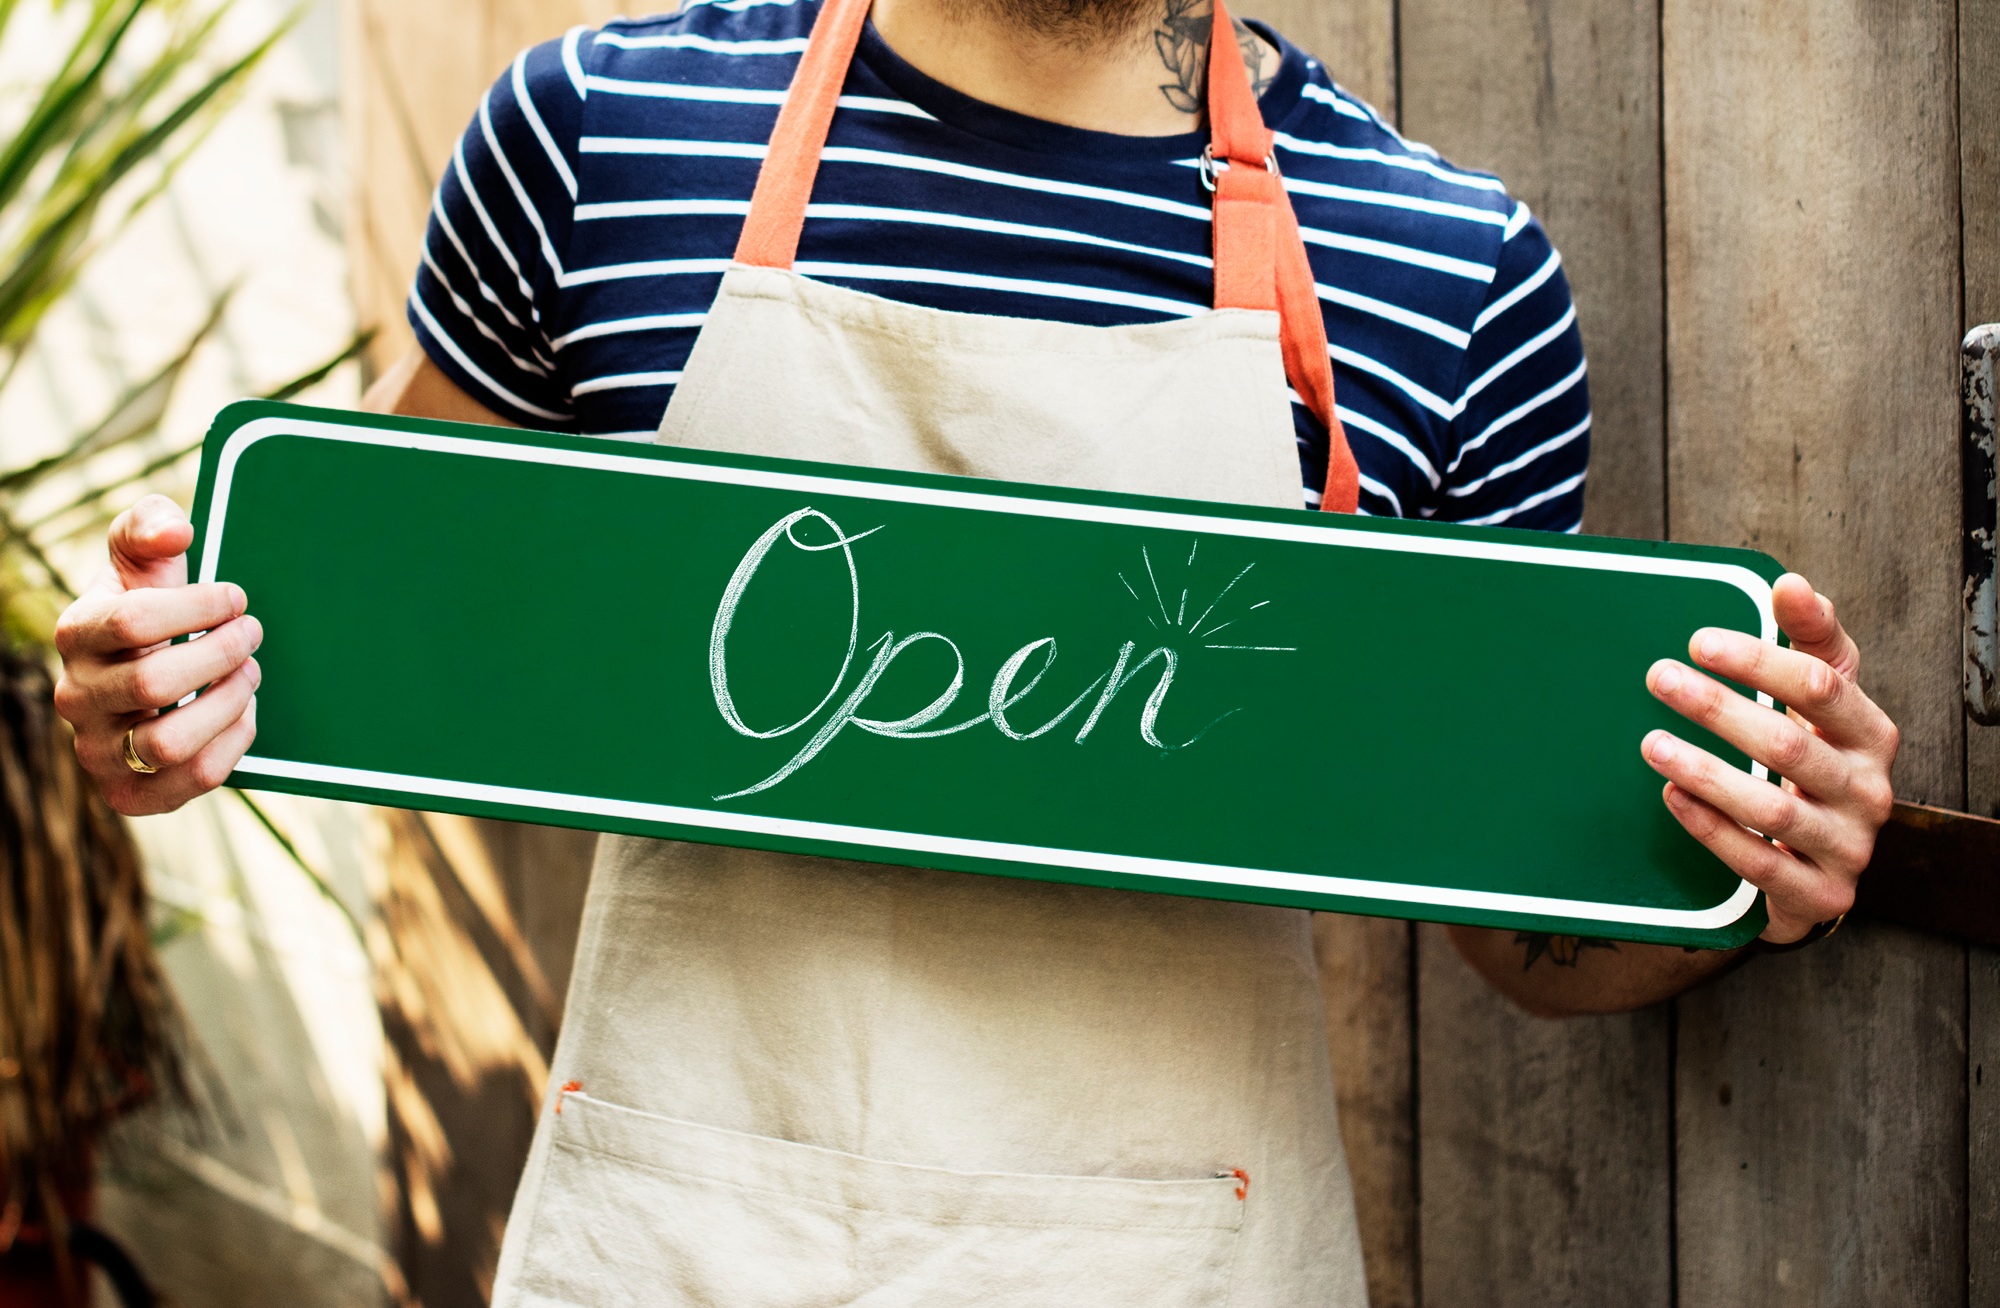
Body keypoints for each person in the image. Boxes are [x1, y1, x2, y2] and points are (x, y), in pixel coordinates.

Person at [50, 0, 1900, 1301]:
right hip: (685, 1243)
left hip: (1183, 1260)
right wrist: (159, 701)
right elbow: (326, 642)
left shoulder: (1442, 271)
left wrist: (1751, 869)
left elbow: (1529, 933)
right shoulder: (597, 139)